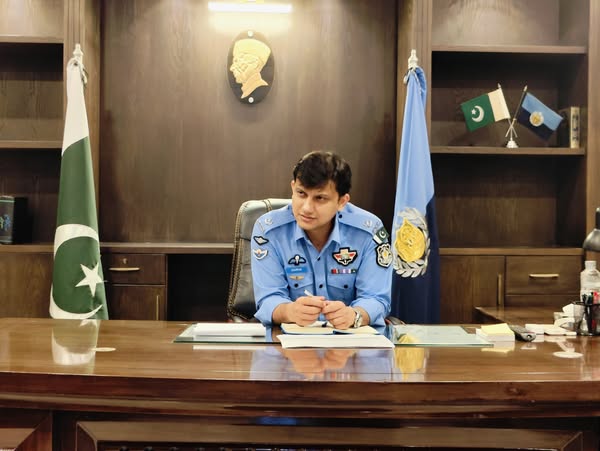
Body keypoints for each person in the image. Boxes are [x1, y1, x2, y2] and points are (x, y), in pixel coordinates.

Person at [251, 150, 393, 329]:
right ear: (293, 187)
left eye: (320, 198)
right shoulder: (269, 231)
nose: (306, 208)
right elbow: (268, 298)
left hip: (350, 340)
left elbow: (377, 298)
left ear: (342, 202)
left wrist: (354, 315)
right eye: (301, 193)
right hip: (290, 339)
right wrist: (289, 311)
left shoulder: (369, 231)